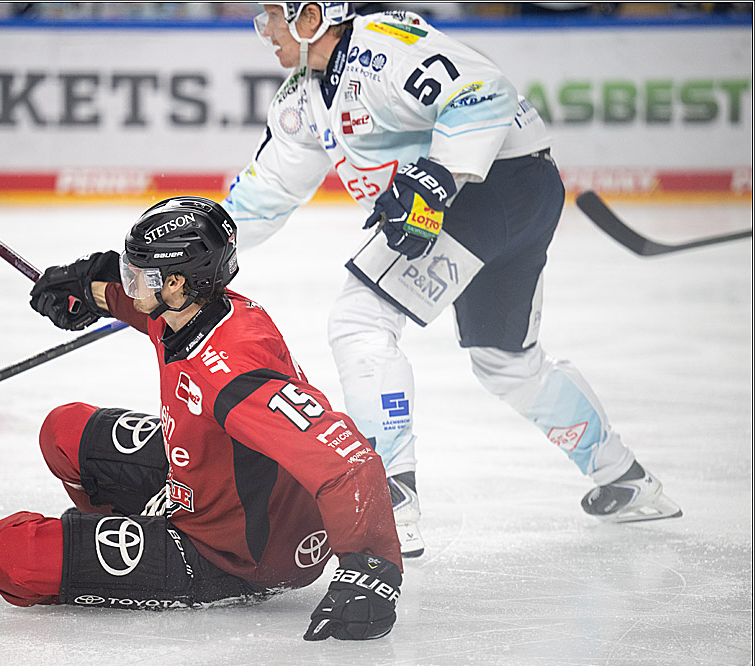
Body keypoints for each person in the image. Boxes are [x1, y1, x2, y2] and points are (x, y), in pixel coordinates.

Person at [223, 2, 682, 556]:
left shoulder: (381, 44)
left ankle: (389, 496)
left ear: (320, 12)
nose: (265, 30)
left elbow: (485, 90)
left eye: (275, 14)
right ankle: (625, 478)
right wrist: (193, 247)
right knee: (507, 362)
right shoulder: (303, 97)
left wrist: (435, 181)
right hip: (519, 192)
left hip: (488, 190)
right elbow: (264, 195)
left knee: (360, 319)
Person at [0, 196, 403, 641]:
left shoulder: (233, 373)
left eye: (137, 274)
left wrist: (369, 569)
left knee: (8, 554)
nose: (129, 283)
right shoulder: (187, 310)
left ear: (177, 282)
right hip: (211, 479)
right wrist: (92, 290)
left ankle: (158, 552)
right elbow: (139, 310)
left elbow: (348, 461)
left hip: (242, 552)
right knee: (61, 431)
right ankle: (141, 531)